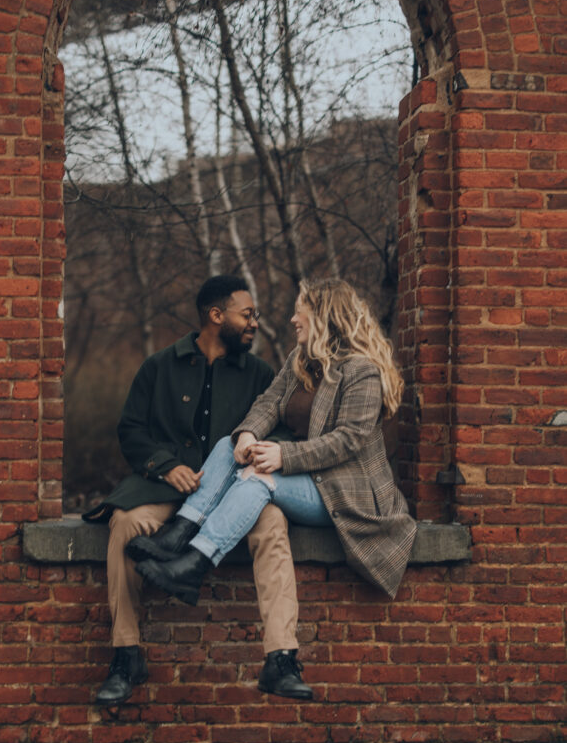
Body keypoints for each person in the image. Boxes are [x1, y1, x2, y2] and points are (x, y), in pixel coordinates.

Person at [135, 279, 418, 669]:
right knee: (226, 446)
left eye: (300, 309)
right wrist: (249, 432)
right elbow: (268, 403)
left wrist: (284, 456)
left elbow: (347, 441)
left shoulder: (361, 371)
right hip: (306, 478)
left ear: (322, 315)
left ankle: (195, 563)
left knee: (257, 480)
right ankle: (181, 534)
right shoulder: (300, 360)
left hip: (344, 493)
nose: (292, 318)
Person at [86, 275, 312, 707]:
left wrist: (251, 454)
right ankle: (125, 655)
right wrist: (166, 467)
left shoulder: (262, 375)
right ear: (215, 315)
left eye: (255, 316)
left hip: (237, 492)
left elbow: (280, 432)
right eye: (247, 315)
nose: (255, 324)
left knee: (273, 524)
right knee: (124, 523)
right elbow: (130, 430)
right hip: (165, 488)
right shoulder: (159, 366)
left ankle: (281, 659)